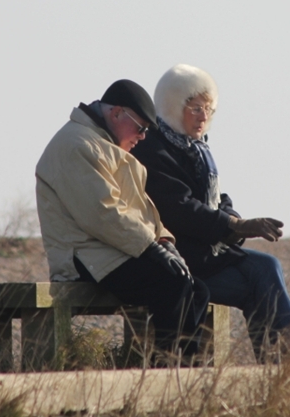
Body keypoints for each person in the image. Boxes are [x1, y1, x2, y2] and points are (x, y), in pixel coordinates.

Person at [130, 64, 290, 363]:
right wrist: (235, 225)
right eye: (196, 108)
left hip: (208, 253)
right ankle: (284, 353)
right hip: (178, 261)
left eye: (209, 110)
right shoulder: (153, 150)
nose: (203, 117)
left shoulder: (196, 148)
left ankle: (279, 358)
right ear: (174, 106)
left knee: (265, 267)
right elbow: (180, 207)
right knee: (259, 279)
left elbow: (216, 198)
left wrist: (234, 219)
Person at [35, 79, 210, 362]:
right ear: (116, 113)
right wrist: (151, 249)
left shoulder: (103, 144)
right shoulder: (76, 144)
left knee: (197, 289)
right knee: (171, 284)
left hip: (113, 249)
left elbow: (142, 208)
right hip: (83, 257)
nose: (142, 137)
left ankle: (187, 368)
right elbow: (103, 213)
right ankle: (163, 372)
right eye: (140, 128)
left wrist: (164, 240)